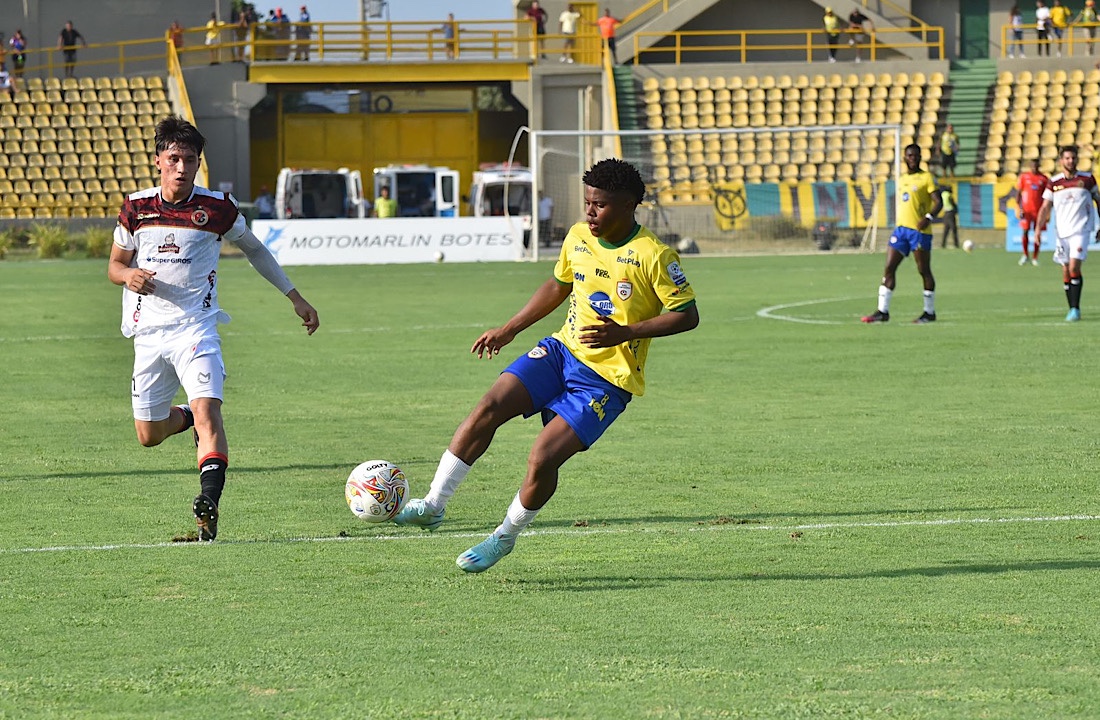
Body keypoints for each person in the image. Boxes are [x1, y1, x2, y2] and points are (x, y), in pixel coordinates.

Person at [392, 158, 699, 573]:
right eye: (588, 202)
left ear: (629, 205)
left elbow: (687, 314)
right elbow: (558, 285)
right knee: (488, 407)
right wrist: (509, 328)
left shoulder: (655, 255)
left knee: (542, 458)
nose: (590, 212)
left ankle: (504, 537)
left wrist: (626, 332)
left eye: (601, 205)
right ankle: (433, 504)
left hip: (606, 381)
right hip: (560, 351)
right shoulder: (576, 237)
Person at [107, 116, 320, 542]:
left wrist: (294, 296)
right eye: (174, 159)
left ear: (198, 163)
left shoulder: (217, 207)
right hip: (149, 333)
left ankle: (209, 504)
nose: (182, 167)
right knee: (148, 436)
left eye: (189, 160)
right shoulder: (136, 207)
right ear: (158, 161)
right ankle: (184, 418)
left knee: (209, 411)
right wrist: (127, 276)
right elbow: (114, 265)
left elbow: (256, 250)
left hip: (197, 329)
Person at [861, 143, 942, 324]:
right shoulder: (902, 179)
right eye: (909, 155)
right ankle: (883, 311)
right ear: (905, 158)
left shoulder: (927, 178)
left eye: (915, 155)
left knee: (923, 270)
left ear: (920, 157)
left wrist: (928, 217)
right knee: (889, 267)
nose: (912, 158)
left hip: (919, 232)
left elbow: (939, 202)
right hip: (901, 230)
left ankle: (929, 313)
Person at [1036, 145, 1100, 321]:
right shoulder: (1054, 182)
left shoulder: (1088, 180)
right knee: (1065, 270)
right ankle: (1071, 308)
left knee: (1074, 267)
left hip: (1081, 230)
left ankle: (1076, 309)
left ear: (1077, 159)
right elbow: (1045, 207)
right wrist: (1037, 229)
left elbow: (1098, 201)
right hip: (1061, 232)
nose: (1070, 161)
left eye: (1073, 158)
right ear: (1061, 161)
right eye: (1067, 158)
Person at [1016, 158, 1050, 266]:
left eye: (1036, 166)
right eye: (1032, 166)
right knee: (1025, 231)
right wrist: (1018, 207)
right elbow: (1018, 193)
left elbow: (1048, 197)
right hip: (1026, 210)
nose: (1034, 168)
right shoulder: (1024, 177)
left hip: (1039, 211)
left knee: (1037, 233)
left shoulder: (1043, 179)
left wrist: (1047, 212)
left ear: (1039, 166)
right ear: (1030, 166)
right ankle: (1025, 255)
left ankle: (1035, 257)